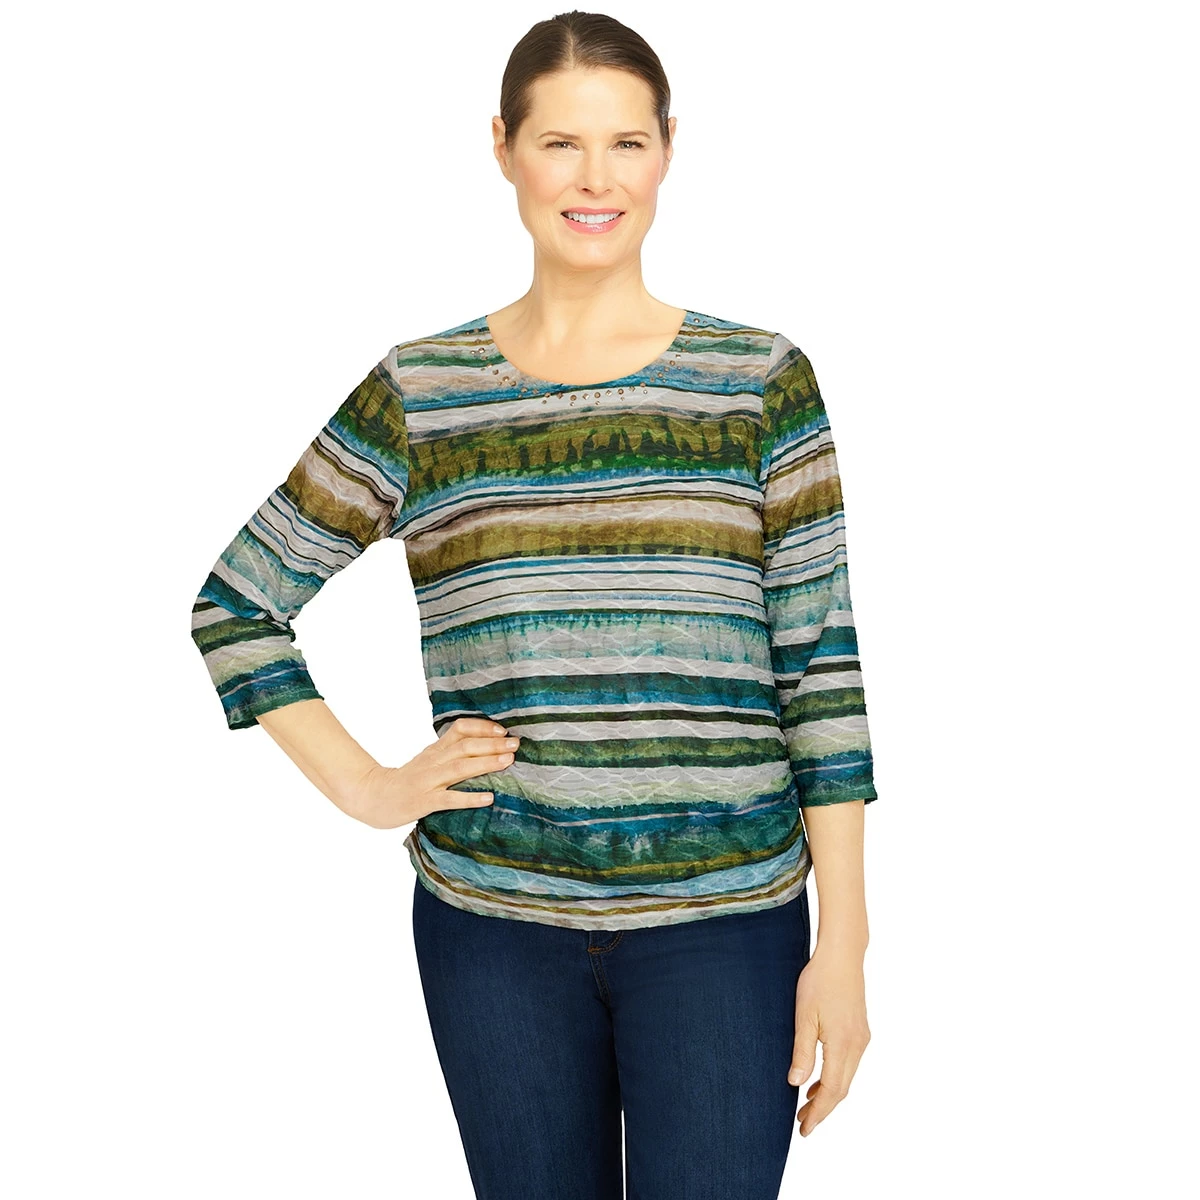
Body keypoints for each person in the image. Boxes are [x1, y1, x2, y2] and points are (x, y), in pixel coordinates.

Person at [189, 10, 878, 1199]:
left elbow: (820, 674)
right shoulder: (424, 393)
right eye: (560, 143)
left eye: (626, 143)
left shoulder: (758, 382)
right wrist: (367, 788)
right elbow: (237, 605)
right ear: (503, 147)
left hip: (728, 928)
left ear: (669, 150)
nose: (595, 178)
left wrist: (847, 946)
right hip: (492, 931)